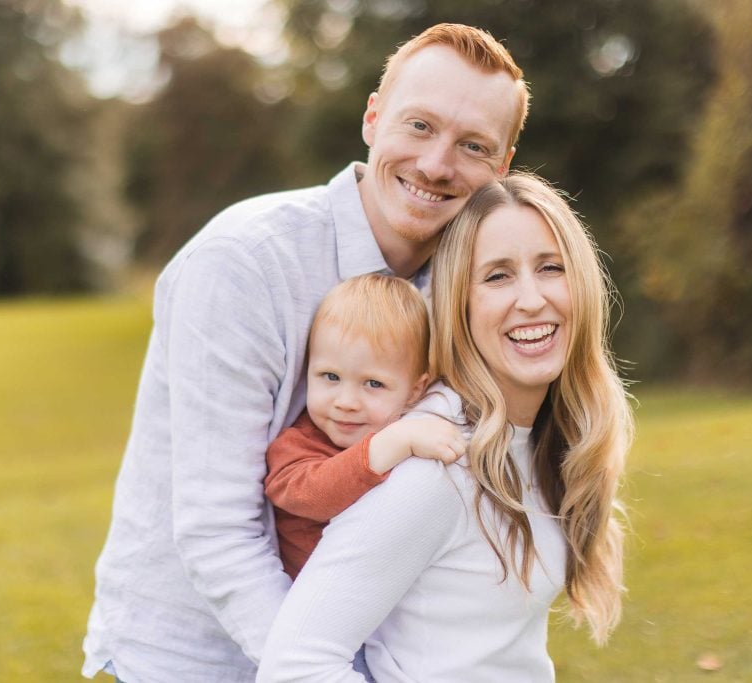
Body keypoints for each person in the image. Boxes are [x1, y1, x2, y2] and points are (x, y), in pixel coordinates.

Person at [82, 23, 529, 683]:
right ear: (373, 118)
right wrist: (318, 667)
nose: (437, 165)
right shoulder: (243, 262)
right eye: (420, 126)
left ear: (502, 167)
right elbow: (217, 530)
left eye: (472, 145)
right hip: (196, 657)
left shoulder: (470, 292)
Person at [257, 172, 634, 682]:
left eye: (550, 268)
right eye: (498, 276)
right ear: (459, 301)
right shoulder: (437, 463)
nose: (530, 299)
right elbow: (294, 666)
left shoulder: (539, 438)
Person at [264, 273, 467, 581]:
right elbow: (312, 495)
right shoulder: (297, 445)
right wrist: (392, 443)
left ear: (414, 391)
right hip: (319, 609)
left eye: (373, 383)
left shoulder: (417, 425)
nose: (346, 401)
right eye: (330, 376)